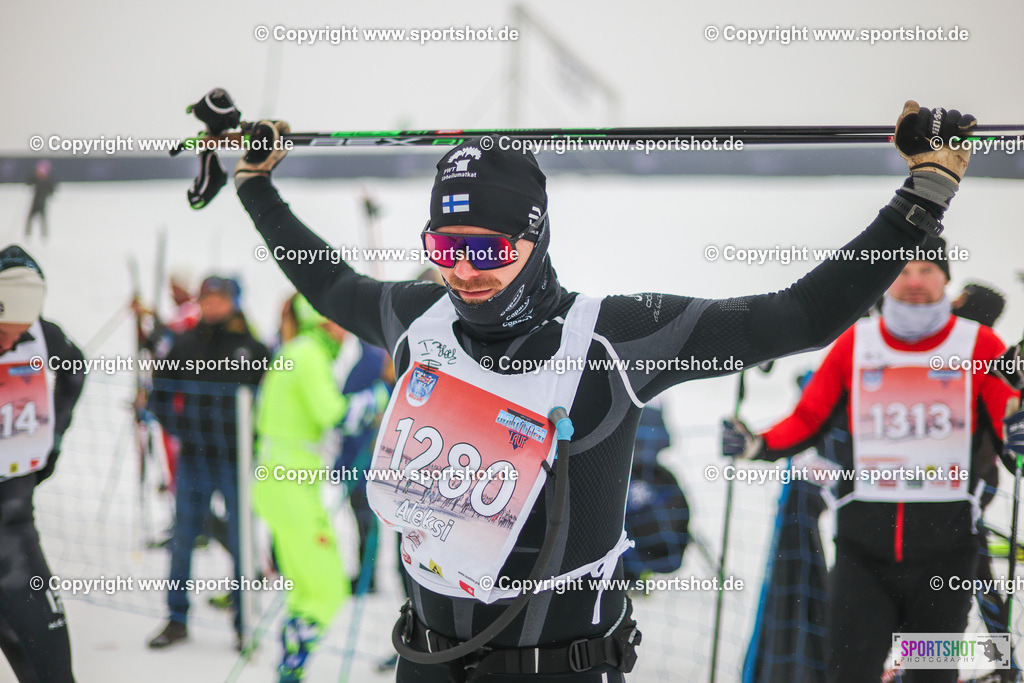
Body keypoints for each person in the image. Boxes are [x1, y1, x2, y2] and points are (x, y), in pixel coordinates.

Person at [234, 102, 977, 681]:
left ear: (536, 239)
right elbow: (328, 281)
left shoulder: (611, 339)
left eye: (487, 247)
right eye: (445, 246)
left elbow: (797, 317)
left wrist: (924, 192)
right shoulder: (416, 318)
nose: (463, 270)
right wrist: (255, 185)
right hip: (426, 662)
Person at [722, 242, 1020, 683]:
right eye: (902, 270)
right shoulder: (856, 343)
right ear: (884, 279)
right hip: (863, 556)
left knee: (930, 674)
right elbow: (809, 417)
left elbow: (1009, 433)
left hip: (946, 557)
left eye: (927, 269)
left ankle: (1004, 666)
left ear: (946, 277)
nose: (914, 280)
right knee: (851, 671)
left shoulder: (979, 344)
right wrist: (756, 443)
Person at [253, 294, 388, 682]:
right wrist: (383, 393)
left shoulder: (299, 350)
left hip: (284, 481)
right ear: (322, 320)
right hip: (289, 483)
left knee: (305, 588)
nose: (348, 330)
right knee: (328, 588)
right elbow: (335, 415)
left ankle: (290, 667)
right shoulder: (308, 354)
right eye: (341, 319)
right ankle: (291, 666)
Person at [147, 275, 270, 651]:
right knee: (183, 538)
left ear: (233, 302)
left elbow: (270, 402)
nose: (213, 305)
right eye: (207, 299)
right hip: (194, 459)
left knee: (240, 540)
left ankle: (244, 622)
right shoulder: (183, 343)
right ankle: (176, 619)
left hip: (236, 462)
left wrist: (255, 439)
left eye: (220, 298)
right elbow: (158, 394)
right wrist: (181, 429)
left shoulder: (253, 347)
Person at [0, 245, 85, 682]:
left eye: (18, 333)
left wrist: (49, 445)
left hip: (14, 532)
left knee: (52, 672)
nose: (9, 342)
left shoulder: (42, 333)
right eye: (3, 332)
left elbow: (75, 369)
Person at [24, 161, 56, 240]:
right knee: (31, 217)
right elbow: (29, 182)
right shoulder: (37, 180)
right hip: (35, 201)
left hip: (42, 202)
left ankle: (44, 233)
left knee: (42, 218)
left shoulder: (47, 181)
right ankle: (28, 232)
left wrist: (50, 193)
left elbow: (51, 190)